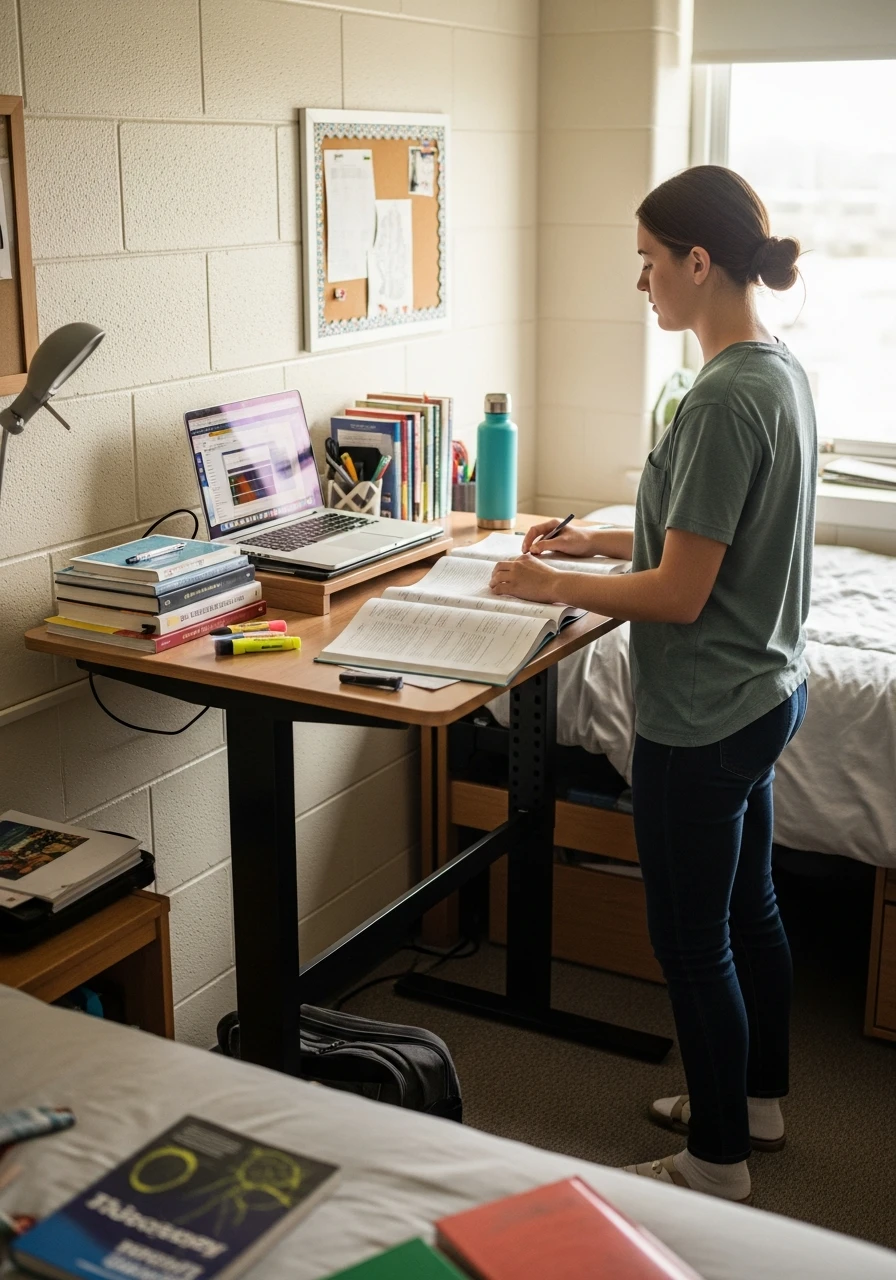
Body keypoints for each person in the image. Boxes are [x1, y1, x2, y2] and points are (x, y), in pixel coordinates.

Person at [488, 164, 816, 1204]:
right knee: (751, 907)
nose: (640, 284)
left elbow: (679, 592)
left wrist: (549, 583)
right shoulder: (776, 369)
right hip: (766, 689)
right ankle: (756, 1100)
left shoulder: (719, 398)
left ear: (696, 260)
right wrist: (589, 538)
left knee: (689, 938)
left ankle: (714, 1159)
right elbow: (707, 528)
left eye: (645, 261)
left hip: (702, 714)